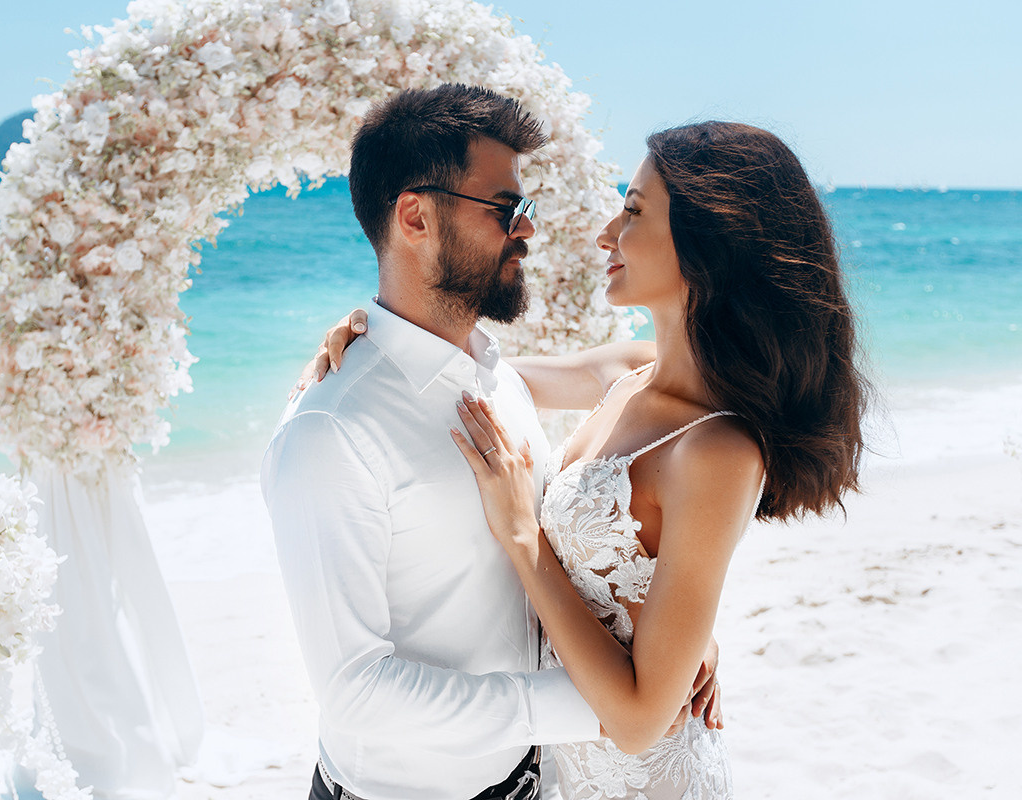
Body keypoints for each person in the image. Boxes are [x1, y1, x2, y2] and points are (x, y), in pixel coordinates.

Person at [311, 120, 868, 798]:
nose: (606, 232)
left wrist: (524, 539)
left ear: (708, 244)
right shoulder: (628, 371)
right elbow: (461, 375)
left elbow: (637, 724)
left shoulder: (719, 450)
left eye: (633, 210)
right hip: (557, 769)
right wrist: (371, 333)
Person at [261, 85, 722, 800]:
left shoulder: (495, 378)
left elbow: (552, 550)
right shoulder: (331, 431)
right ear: (414, 216)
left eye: (524, 209)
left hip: (534, 780)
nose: (528, 230)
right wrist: (606, 707)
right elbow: (354, 692)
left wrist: (663, 643)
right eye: (506, 210)